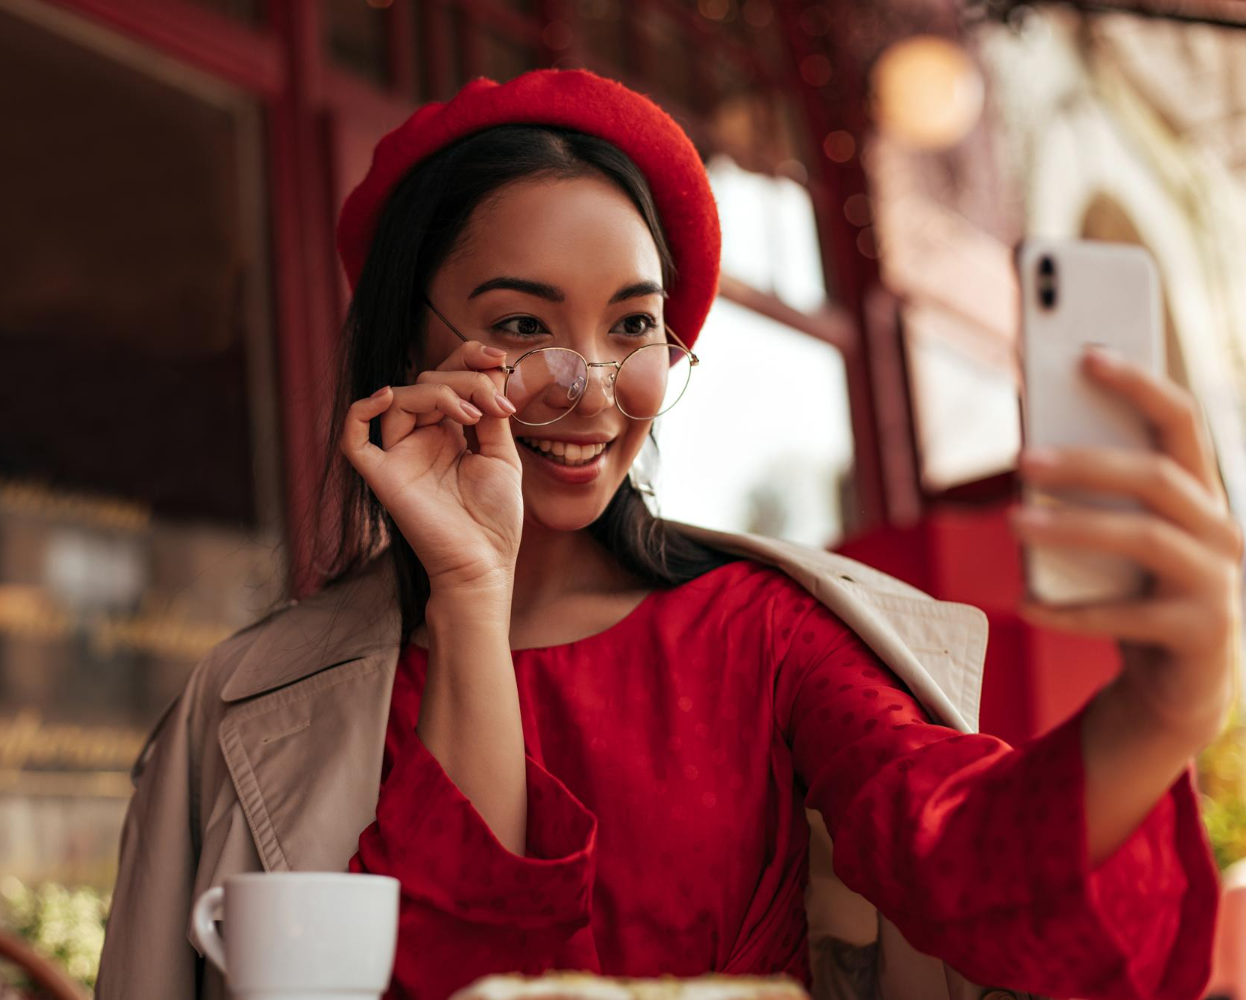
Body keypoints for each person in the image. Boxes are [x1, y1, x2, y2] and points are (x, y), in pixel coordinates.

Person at [95, 69, 1239, 1000]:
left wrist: (1159, 709)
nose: (590, 390)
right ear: (410, 347)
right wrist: (470, 589)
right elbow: (468, 973)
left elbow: (960, 858)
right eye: (521, 325)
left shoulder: (764, 631)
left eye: (633, 324)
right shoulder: (245, 700)